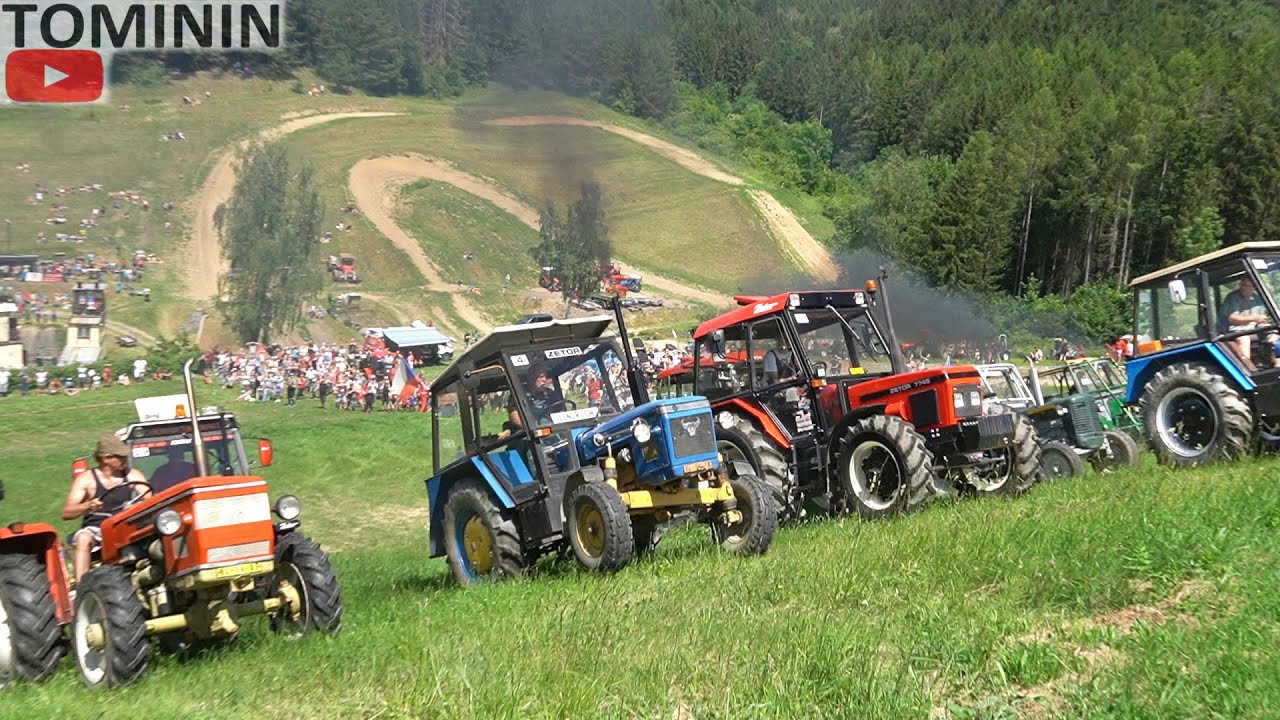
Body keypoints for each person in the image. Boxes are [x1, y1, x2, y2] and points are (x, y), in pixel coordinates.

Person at [62, 434, 149, 581]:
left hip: (125, 524)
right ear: (106, 458)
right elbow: (67, 512)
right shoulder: (87, 479)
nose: (124, 459)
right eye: (120, 456)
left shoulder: (132, 475)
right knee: (83, 538)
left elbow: (151, 499)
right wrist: (88, 505)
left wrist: (137, 506)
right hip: (97, 528)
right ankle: (82, 584)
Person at [1219, 275, 1280, 371]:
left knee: (1273, 334)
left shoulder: (1258, 299)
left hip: (1253, 328)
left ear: (1254, 288)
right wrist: (1254, 318)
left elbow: (1262, 317)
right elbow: (1232, 318)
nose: (1243, 287)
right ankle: (1247, 369)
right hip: (1234, 330)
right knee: (1243, 339)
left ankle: (1275, 363)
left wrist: (1265, 324)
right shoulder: (1233, 297)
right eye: (1242, 284)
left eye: (1247, 285)